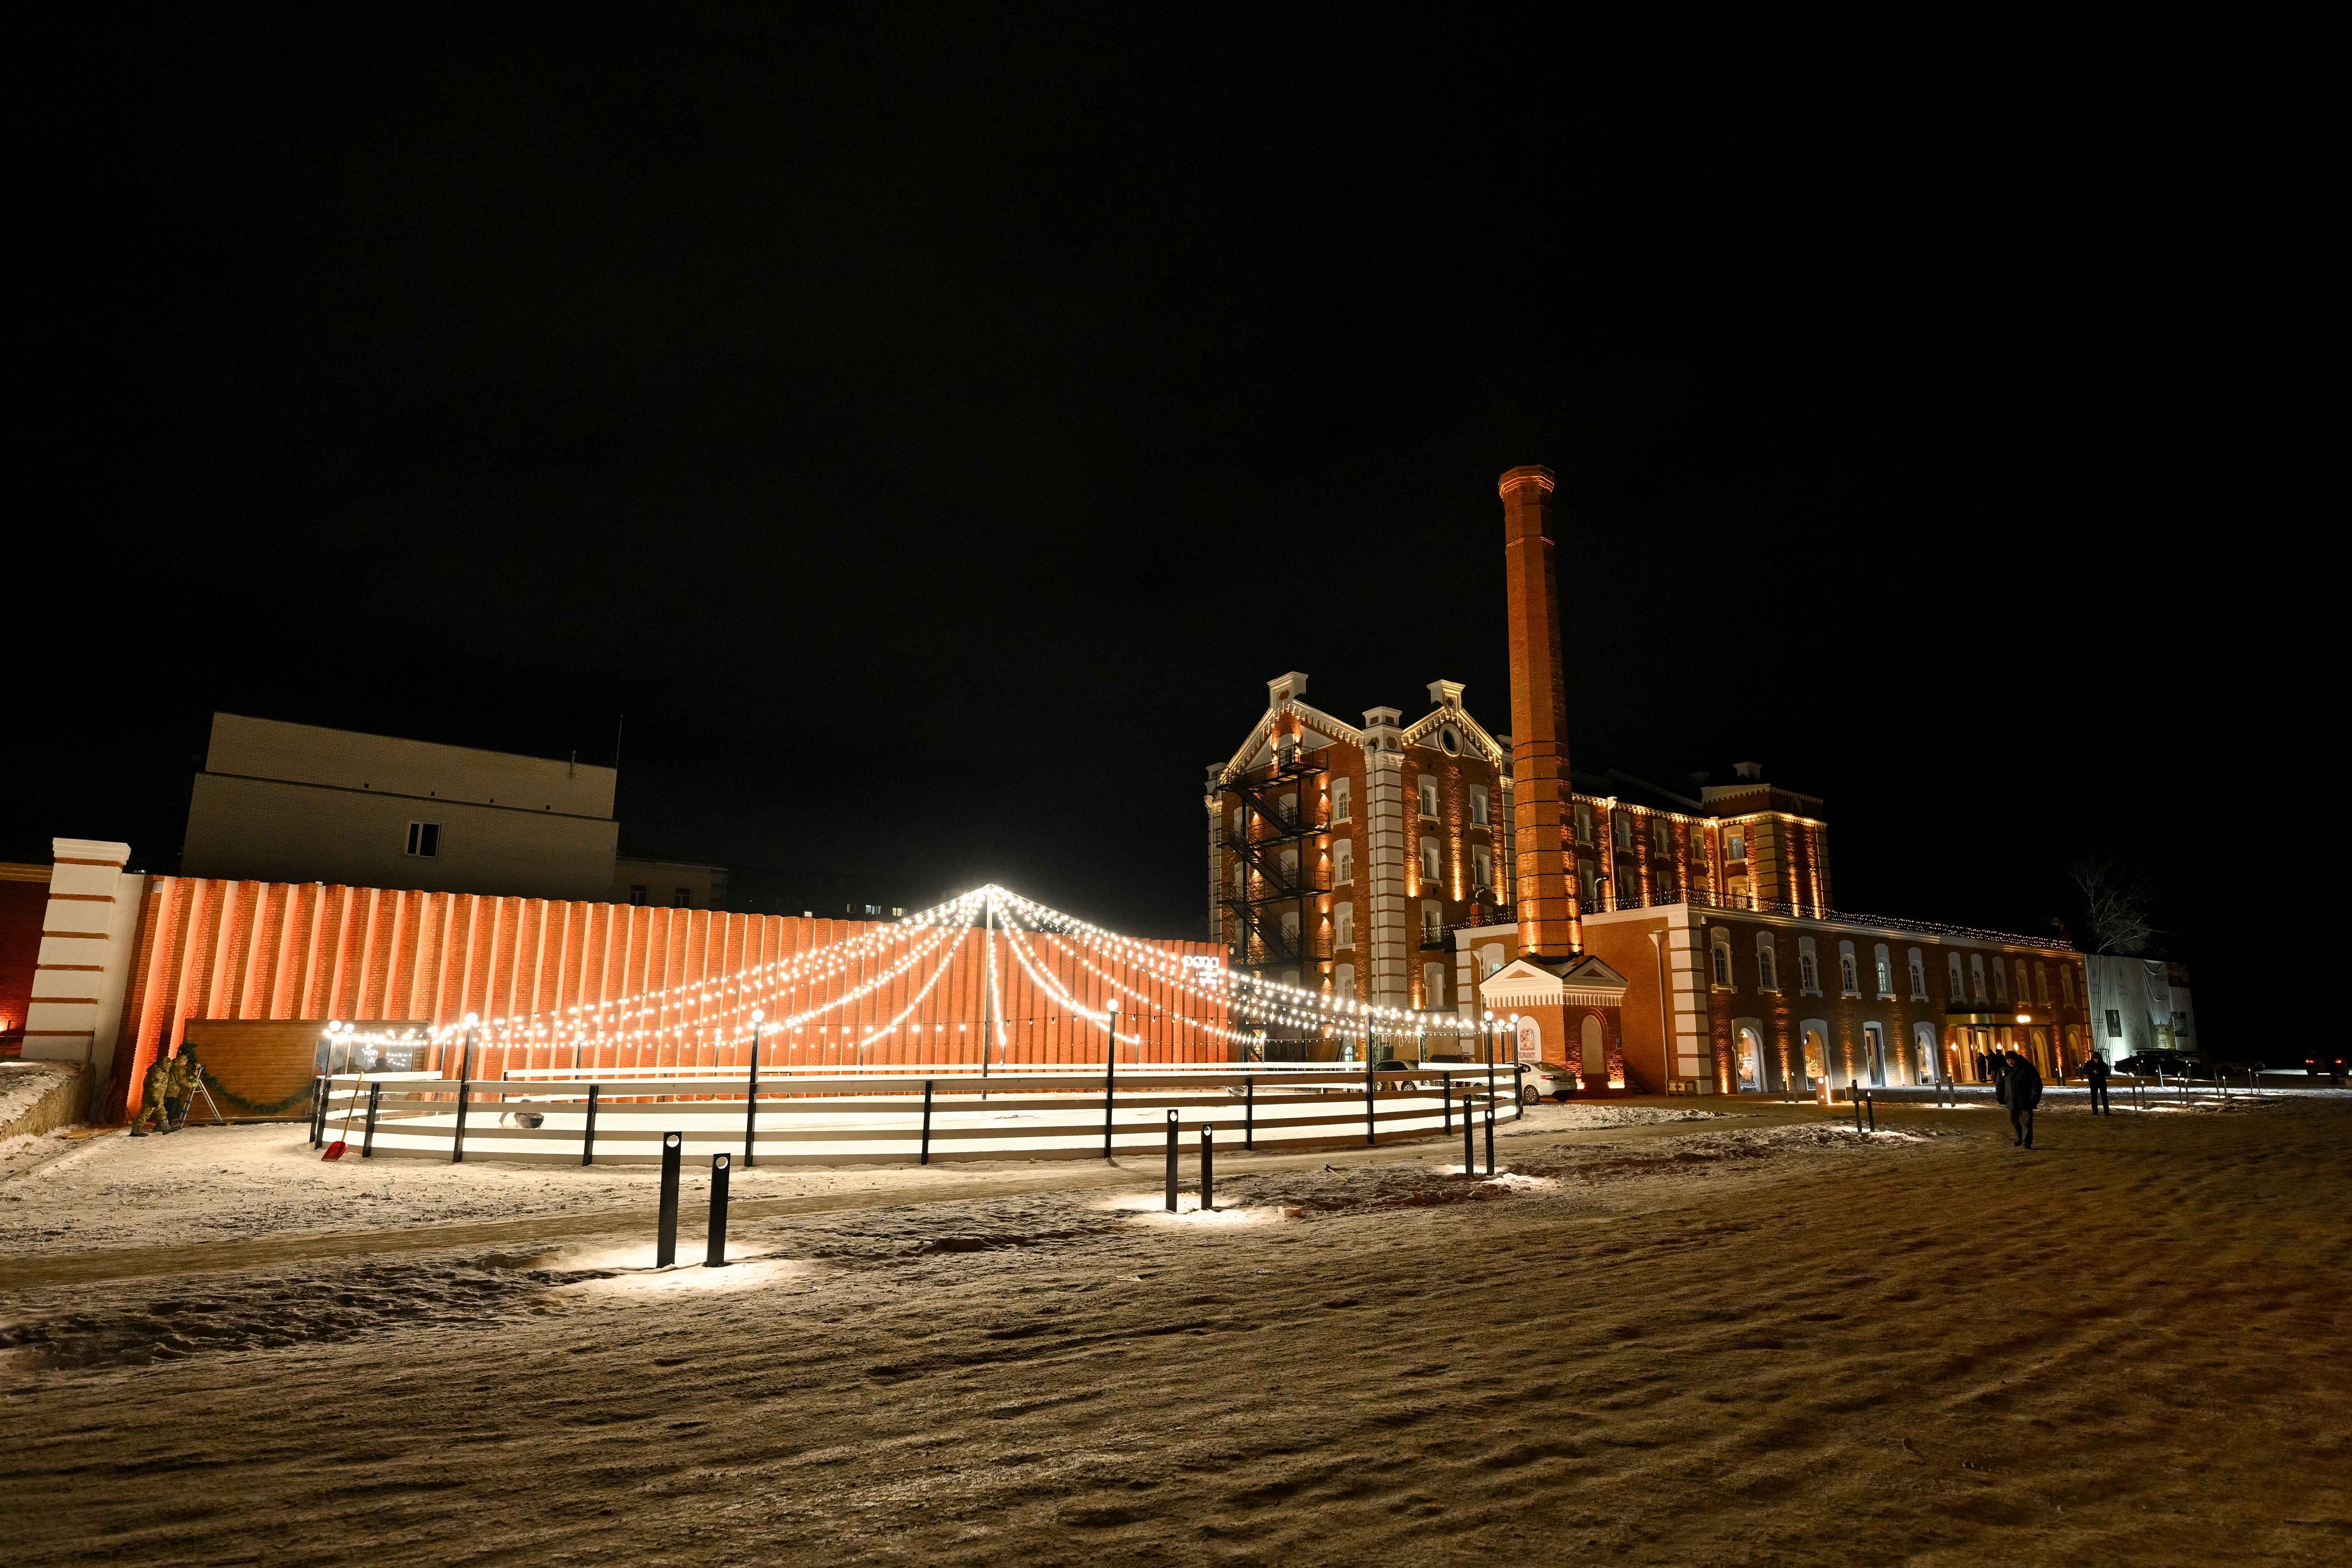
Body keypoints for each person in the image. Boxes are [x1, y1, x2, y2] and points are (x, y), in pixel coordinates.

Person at [2004, 1048, 2044, 1149]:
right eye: (2008, 1060)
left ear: (2016, 1059)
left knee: (2027, 1122)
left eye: (2012, 1060)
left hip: (2026, 1100)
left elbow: (2037, 1084)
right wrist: (2001, 1096)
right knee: (2013, 1119)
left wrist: (2034, 1098)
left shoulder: (2028, 1067)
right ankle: (2020, 1136)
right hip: (2012, 1100)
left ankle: (2026, 1142)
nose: (2010, 1062)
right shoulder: (2005, 1069)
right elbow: (2000, 1084)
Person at [2083, 1051, 2112, 1116]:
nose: (2096, 1060)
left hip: (2102, 1082)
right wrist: (2092, 1072)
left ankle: (2106, 1112)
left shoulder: (2103, 1064)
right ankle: (2095, 1112)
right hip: (2093, 1082)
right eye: (2095, 1059)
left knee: (2104, 1097)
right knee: (2094, 1097)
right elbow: (2085, 1071)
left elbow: (2107, 1073)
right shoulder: (2089, 1064)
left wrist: (2100, 1072)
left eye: (2098, 1059)